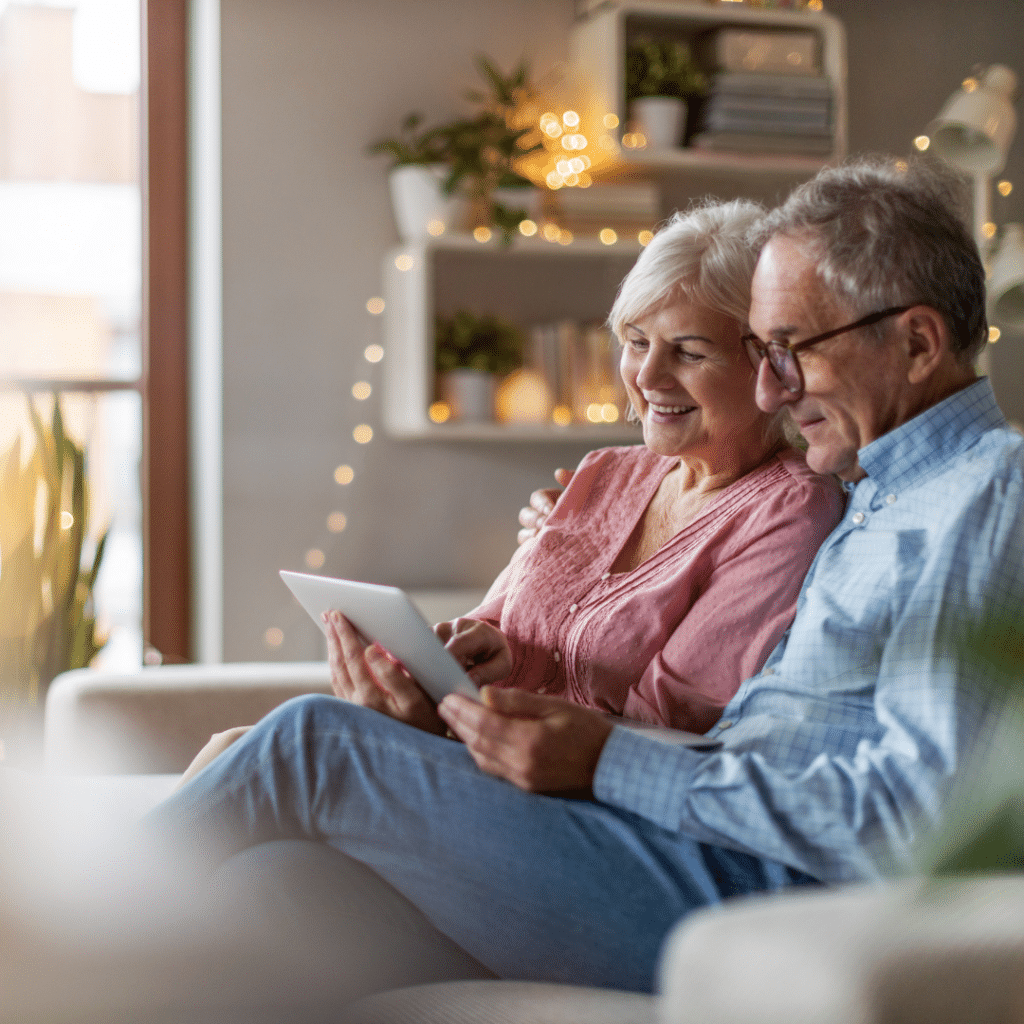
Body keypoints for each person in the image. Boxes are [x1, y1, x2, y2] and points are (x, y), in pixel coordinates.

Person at [146, 155, 1024, 1001]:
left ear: (916, 344)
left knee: (314, 744)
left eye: (791, 350)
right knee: (276, 883)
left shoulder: (984, 496)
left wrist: (612, 765)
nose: (769, 392)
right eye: (761, 352)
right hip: (683, 846)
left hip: (756, 892)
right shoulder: (875, 495)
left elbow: (921, 822)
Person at [177, 199, 844, 785]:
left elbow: (669, 723)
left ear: (770, 368)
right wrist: (472, 655)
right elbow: (500, 625)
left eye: (690, 353)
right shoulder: (605, 472)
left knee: (274, 745)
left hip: (571, 803)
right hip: (481, 755)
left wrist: (451, 721)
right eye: (636, 342)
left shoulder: (790, 510)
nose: (646, 375)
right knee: (239, 758)